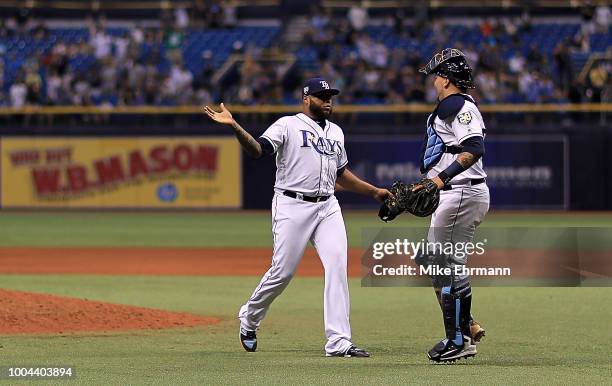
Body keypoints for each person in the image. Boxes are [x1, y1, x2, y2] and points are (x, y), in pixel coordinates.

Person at [203, 77, 392, 357]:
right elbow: (258, 151)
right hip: (292, 204)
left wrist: (373, 191)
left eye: (330, 96)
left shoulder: (336, 133)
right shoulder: (287, 125)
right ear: (306, 99)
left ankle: (339, 342)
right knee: (283, 272)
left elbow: (341, 175)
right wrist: (234, 126)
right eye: (321, 96)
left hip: (328, 206)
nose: (327, 100)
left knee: (338, 266)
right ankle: (250, 317)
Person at [416, 48, 489, 362]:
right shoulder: (458, 105)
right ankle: (466, 331)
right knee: (436, 263)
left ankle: (457, 340)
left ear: (445, 78)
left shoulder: (455, 104)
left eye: (436, 76)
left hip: (460, 192)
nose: (433, 81)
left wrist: (440, 180)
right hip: (459, 193)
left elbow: (474, 148)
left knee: (444, 267)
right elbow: (451, 151)